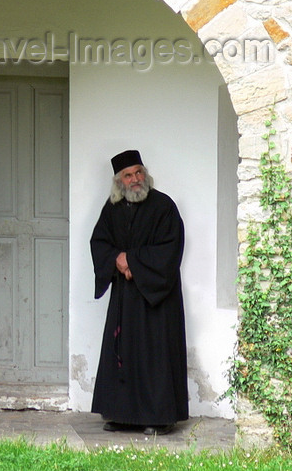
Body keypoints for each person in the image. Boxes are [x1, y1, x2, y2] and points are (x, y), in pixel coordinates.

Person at [90, 150, 188, 435]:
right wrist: (117, 260)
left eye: (138, 172)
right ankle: (121, 415)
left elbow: (170, 249)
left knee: (155, 356)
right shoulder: (112, 208)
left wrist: (132, 261)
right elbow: (99, 242)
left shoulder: (163, 206)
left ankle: (159, 417)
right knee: (122, 352)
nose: (135, 179)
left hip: (157, 300)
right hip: (125, 297)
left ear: (145, 174)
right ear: (119, 181)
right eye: (128, 175)